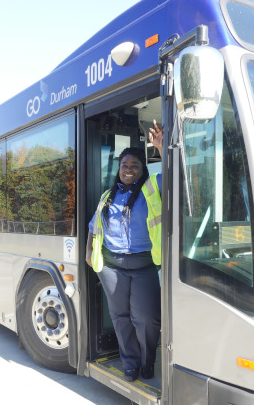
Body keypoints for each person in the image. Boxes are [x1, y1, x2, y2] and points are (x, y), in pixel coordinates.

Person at [86, 120, 163, 382]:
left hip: (143, 266)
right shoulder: (108, 195)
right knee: (120, 317)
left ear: (142, 169)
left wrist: (162, 149)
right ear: (118, 168)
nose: (128, 170)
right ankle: (130, 363)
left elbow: (177, 176)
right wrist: (88, 252)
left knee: (147, 319)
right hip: (111, 266)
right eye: (124, 165)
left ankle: (147, 360)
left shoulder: (152, 188)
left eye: (134, 166)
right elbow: (94, 226)